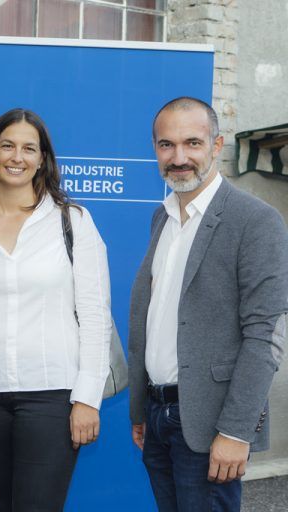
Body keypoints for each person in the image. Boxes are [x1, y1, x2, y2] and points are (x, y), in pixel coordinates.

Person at [129, 97, 288, 511]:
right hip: (160, 414)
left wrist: (236, 432)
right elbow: (158, 318)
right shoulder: (161, 218)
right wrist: (143, 409)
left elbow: (266, 334)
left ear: (217, 146)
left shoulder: (255, 220)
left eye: (192, 143)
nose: (178, 157)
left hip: (211, 424)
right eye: (166, 145)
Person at [0, 108, 112, 511]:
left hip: (53, 397)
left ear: (43, 158)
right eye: (8, 145)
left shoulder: (73, 221)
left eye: (30, 148)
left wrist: (87, 399)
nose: (18, 157)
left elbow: (96, 316)